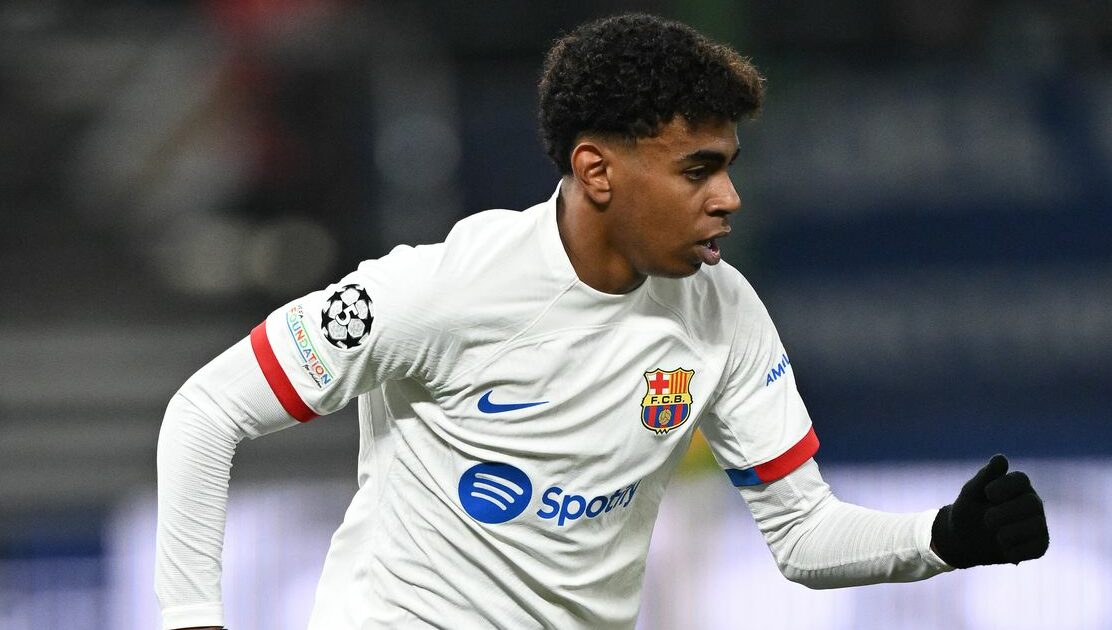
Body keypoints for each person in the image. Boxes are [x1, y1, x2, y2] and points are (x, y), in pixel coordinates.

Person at [155, 13, 1049, 630]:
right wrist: (192, 619)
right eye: (697, 170)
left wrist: (942, 537)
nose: (729, 197)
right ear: (597, 172)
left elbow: (803, 533)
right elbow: (207, 410)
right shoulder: (441, 289)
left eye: (728, 166)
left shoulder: (724, 310)